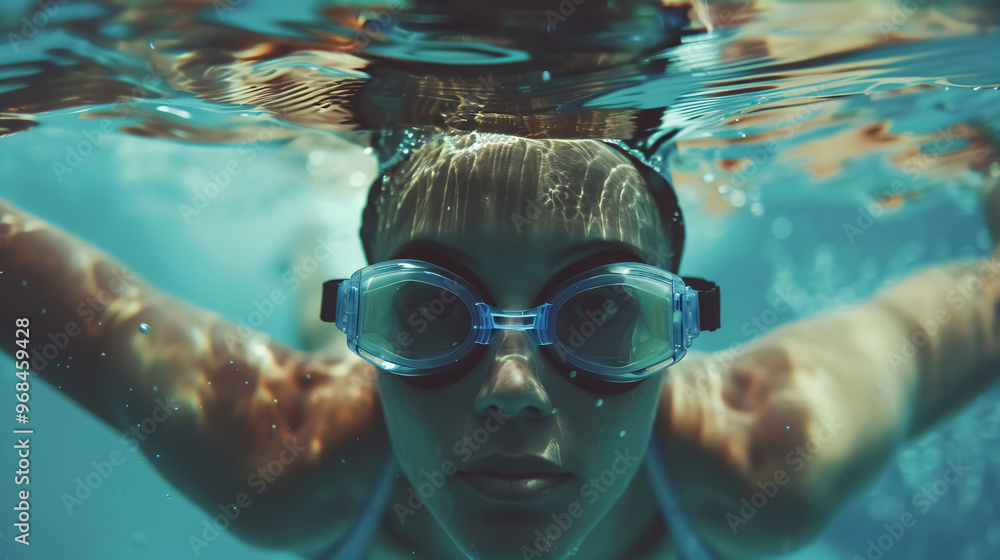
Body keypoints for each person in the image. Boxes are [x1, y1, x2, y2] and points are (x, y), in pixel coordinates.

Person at [2, 131, 999, 560]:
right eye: (427, 309)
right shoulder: (286, 451)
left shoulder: (771, 446)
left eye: (601, 311)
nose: (511, 390)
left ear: (679, 327)